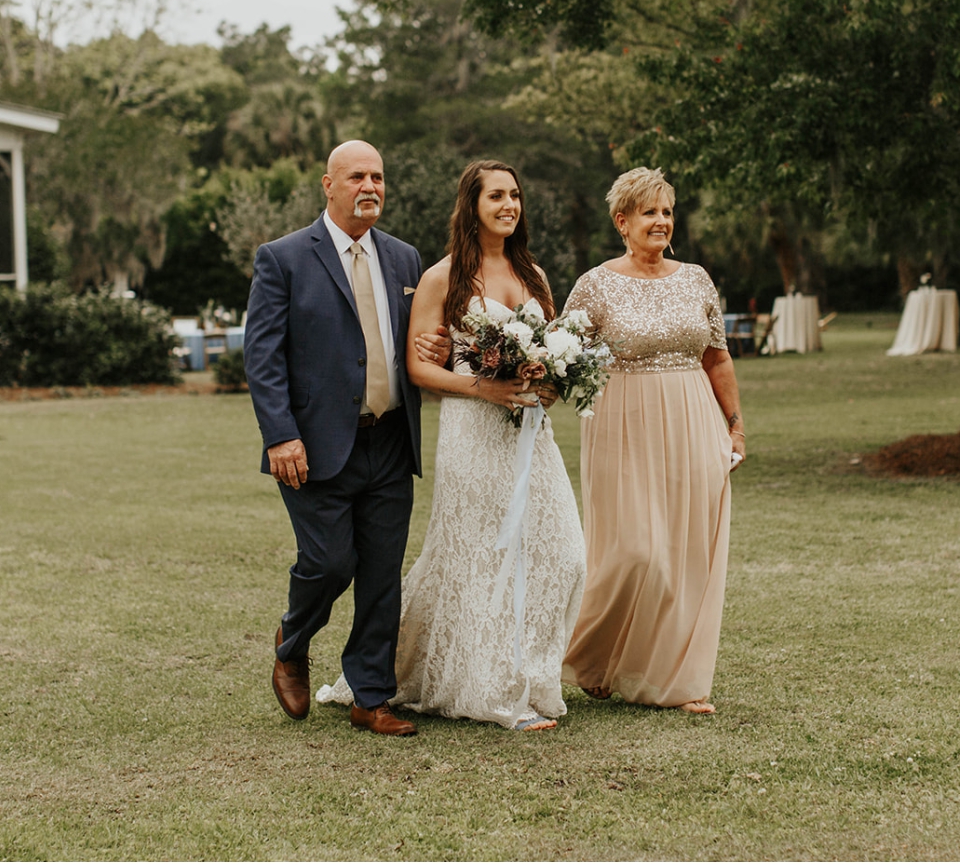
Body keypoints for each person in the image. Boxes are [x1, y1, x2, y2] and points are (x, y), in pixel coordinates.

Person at [316, 161, 586, 731]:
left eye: (515, 195)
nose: (509, 205)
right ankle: (491, 691)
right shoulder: (443, 277)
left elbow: (553, 349)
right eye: (497, 196)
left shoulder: (534, 275)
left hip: (532, 438)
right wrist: (485, 387)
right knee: (479, 557)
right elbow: (416, 366)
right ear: (472, 204)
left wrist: (553, 382)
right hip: (472, 430)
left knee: (563, 553)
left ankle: (530, 675)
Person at [244, 140, 449, 738]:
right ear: (327, 185)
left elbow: (420, 341)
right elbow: (263, 358)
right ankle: (293, 639)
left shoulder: (406, 260)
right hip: (313, 445)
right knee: (330, 562)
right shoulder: (282, 258)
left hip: (389, 439)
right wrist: (281, 435)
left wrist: (437, 349)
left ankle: (371, 697)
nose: (371, 186)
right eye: (357, 175)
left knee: (382, 574)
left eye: (379, 176)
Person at [559, 166, 746, 713]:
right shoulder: (595, 284)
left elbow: (716, 356)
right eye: (649, 212)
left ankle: (680, 682)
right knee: (635, 553)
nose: (661, 221)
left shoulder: (696, 278)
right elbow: (561, 357)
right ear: (623, 221)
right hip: (621, 424)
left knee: (687, 555)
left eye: (667, 212)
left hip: (694, 419)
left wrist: (735, 425)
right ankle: (591, 655)